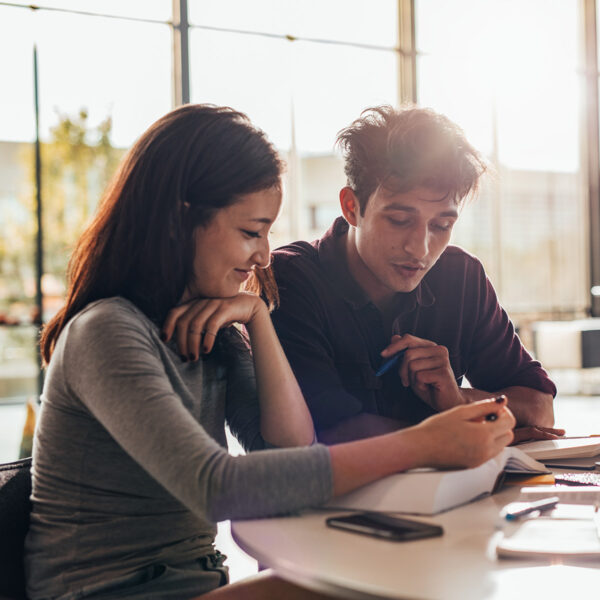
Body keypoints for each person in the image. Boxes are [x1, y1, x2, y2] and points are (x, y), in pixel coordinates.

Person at [25, 104, 515, 600]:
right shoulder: (107, 331)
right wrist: (424, 442)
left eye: (267, 235)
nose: (263, 257)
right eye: (250, 233)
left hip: (197, 583)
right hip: (111, 591)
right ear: (181, 221)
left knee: (390, 581)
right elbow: (219, 488)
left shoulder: (213, 329)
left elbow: (291, 448)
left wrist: (258, 318)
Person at [268, 105, 561, 445]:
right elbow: (322, 436)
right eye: (399, 220)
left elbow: (540, 408)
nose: (420, 249)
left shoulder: (461, 277)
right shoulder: (289, 279)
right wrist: (466, 432)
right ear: (351, 207)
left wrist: (459, 401)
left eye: (441, 225)